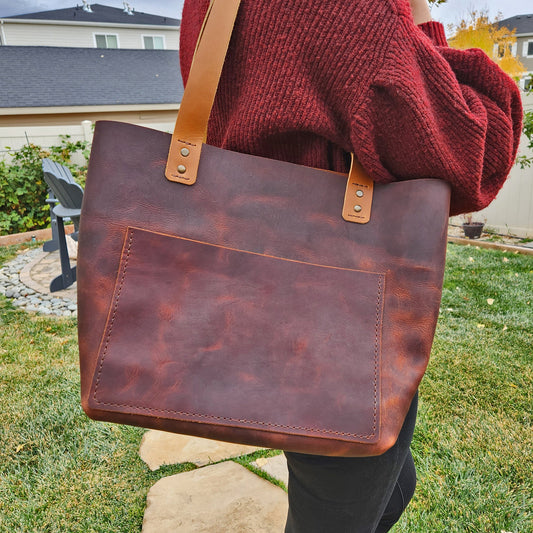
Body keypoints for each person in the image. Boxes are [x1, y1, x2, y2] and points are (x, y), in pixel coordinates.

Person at [179, 0, 523, 531]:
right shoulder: (352, 10)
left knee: (388, 484)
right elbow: (475, 151)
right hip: (334, 318)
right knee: (334, 512)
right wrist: (419, 16)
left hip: (257, 292)